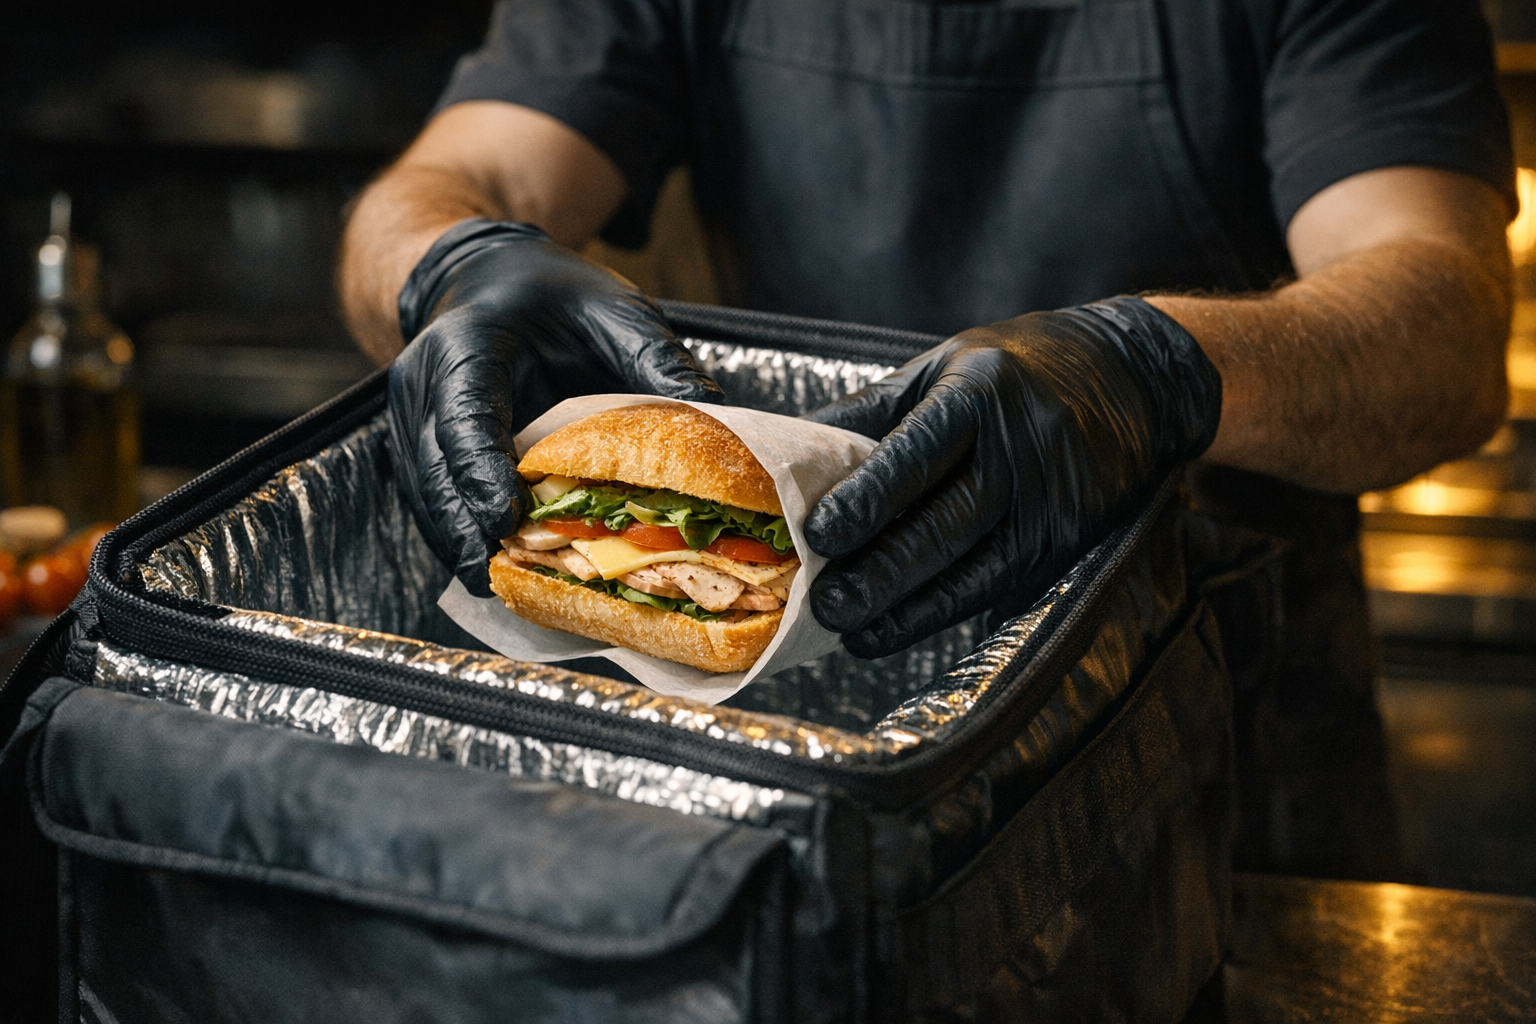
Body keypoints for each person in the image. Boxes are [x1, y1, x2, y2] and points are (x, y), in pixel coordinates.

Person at [338, 0, 1514, 878]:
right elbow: (454, 174)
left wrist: (1157, 371)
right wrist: (449, 262)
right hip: (813, 727)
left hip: (1211, 754)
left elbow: (1448, 324)